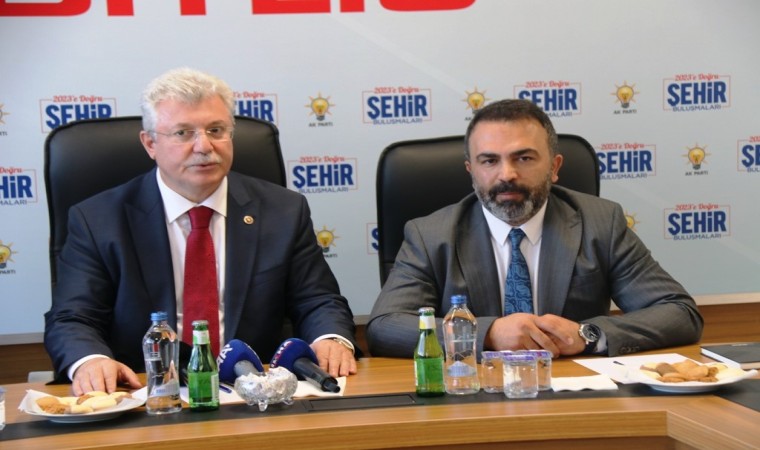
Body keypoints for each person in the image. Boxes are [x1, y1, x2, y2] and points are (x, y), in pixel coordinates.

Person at [45, 67, 359, 395]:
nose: (204, 146)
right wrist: (91, 361)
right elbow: (72, 318)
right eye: (183, 133)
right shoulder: (98, 220)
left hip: (257, 391)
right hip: (147, 392)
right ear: (150, 143)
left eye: (216, 130)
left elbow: (317, 300)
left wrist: (330, 339)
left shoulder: (283, 211)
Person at [367, 98, 703, 359]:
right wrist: (487, 334)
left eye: (524, 158)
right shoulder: (431, 235)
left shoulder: (601, 222)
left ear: (554, 167)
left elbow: (679, 313)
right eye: (489, 161)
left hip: (574, 393)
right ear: (471, 171)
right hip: (473, 393)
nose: (507, 174)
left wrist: (587, 335)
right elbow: (385, 327)